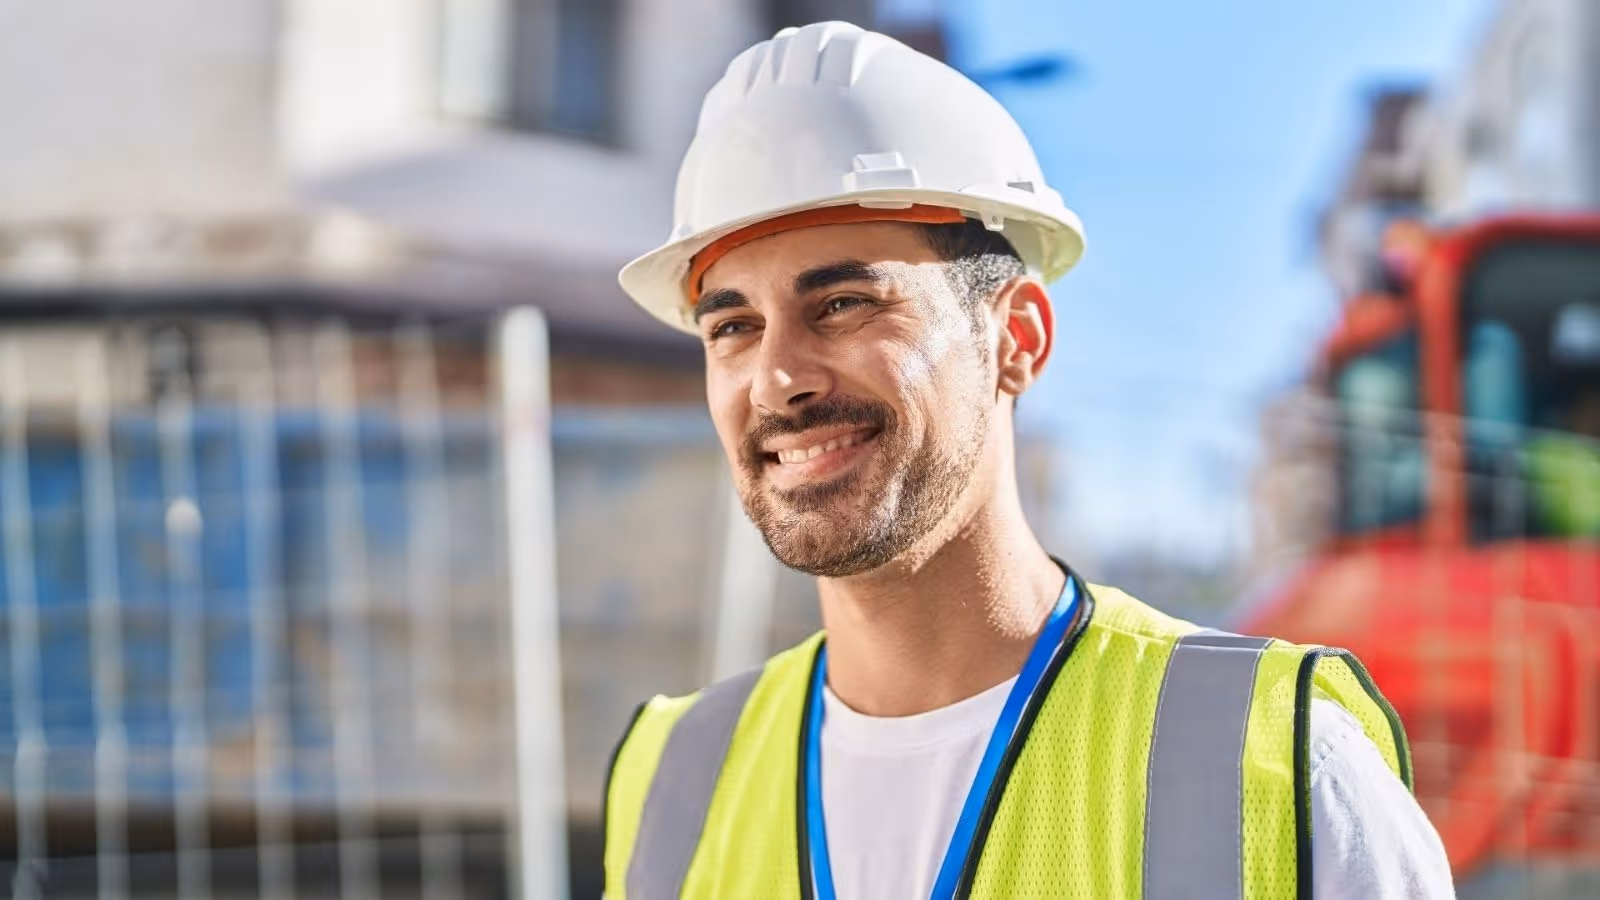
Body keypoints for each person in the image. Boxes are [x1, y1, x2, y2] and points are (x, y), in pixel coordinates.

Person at [604, 21, 1453, 900]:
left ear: (1016, 338)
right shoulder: (672, 781)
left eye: (846, 303)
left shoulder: (1275, 760)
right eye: (733, 327)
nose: (777, 380)